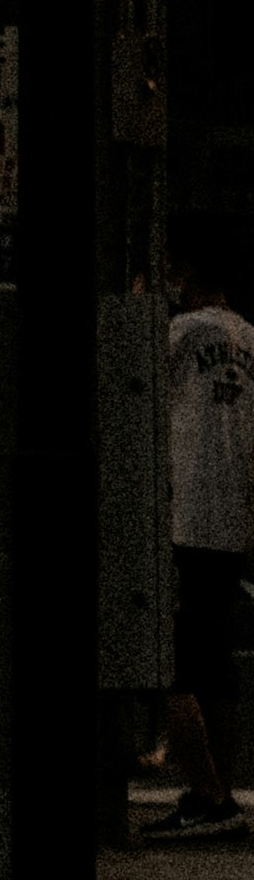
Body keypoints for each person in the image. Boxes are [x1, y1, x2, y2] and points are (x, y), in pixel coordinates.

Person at [154, 222, 254, 842]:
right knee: (211, 658)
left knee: (172, 663)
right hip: (231, 518)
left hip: (181, 511)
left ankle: (206, 794)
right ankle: (218, 787)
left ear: (185, 273)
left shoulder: (176, 334)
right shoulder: (249, 336)